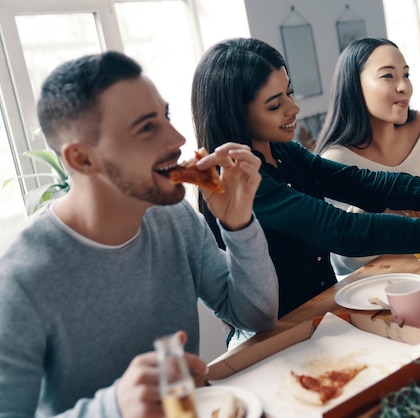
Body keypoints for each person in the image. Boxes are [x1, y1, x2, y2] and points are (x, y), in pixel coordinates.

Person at [191, 37, 420, 342]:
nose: (293, 109)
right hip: (272, 337)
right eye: (274, 104)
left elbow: (364, 183)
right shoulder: (237, 181)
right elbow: (343, 231)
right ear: (236, 112)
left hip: (319, 316)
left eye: (290, 93)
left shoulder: (283, 151)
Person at [0, 51, 279, 417]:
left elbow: (257, 318)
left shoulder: (175, 217)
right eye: (147, 128)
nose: (178, 139)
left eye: (166, 117)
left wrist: (238, 225)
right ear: (82, 159)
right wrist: (113, 407)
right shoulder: (19, 281)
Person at [314, 37, 420, 274]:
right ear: (354, 85)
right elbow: (341, 261)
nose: (404, 87)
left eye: (406, 74)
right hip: (377, 287)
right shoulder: (334, 160)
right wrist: (378, 212)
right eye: (388, 76)